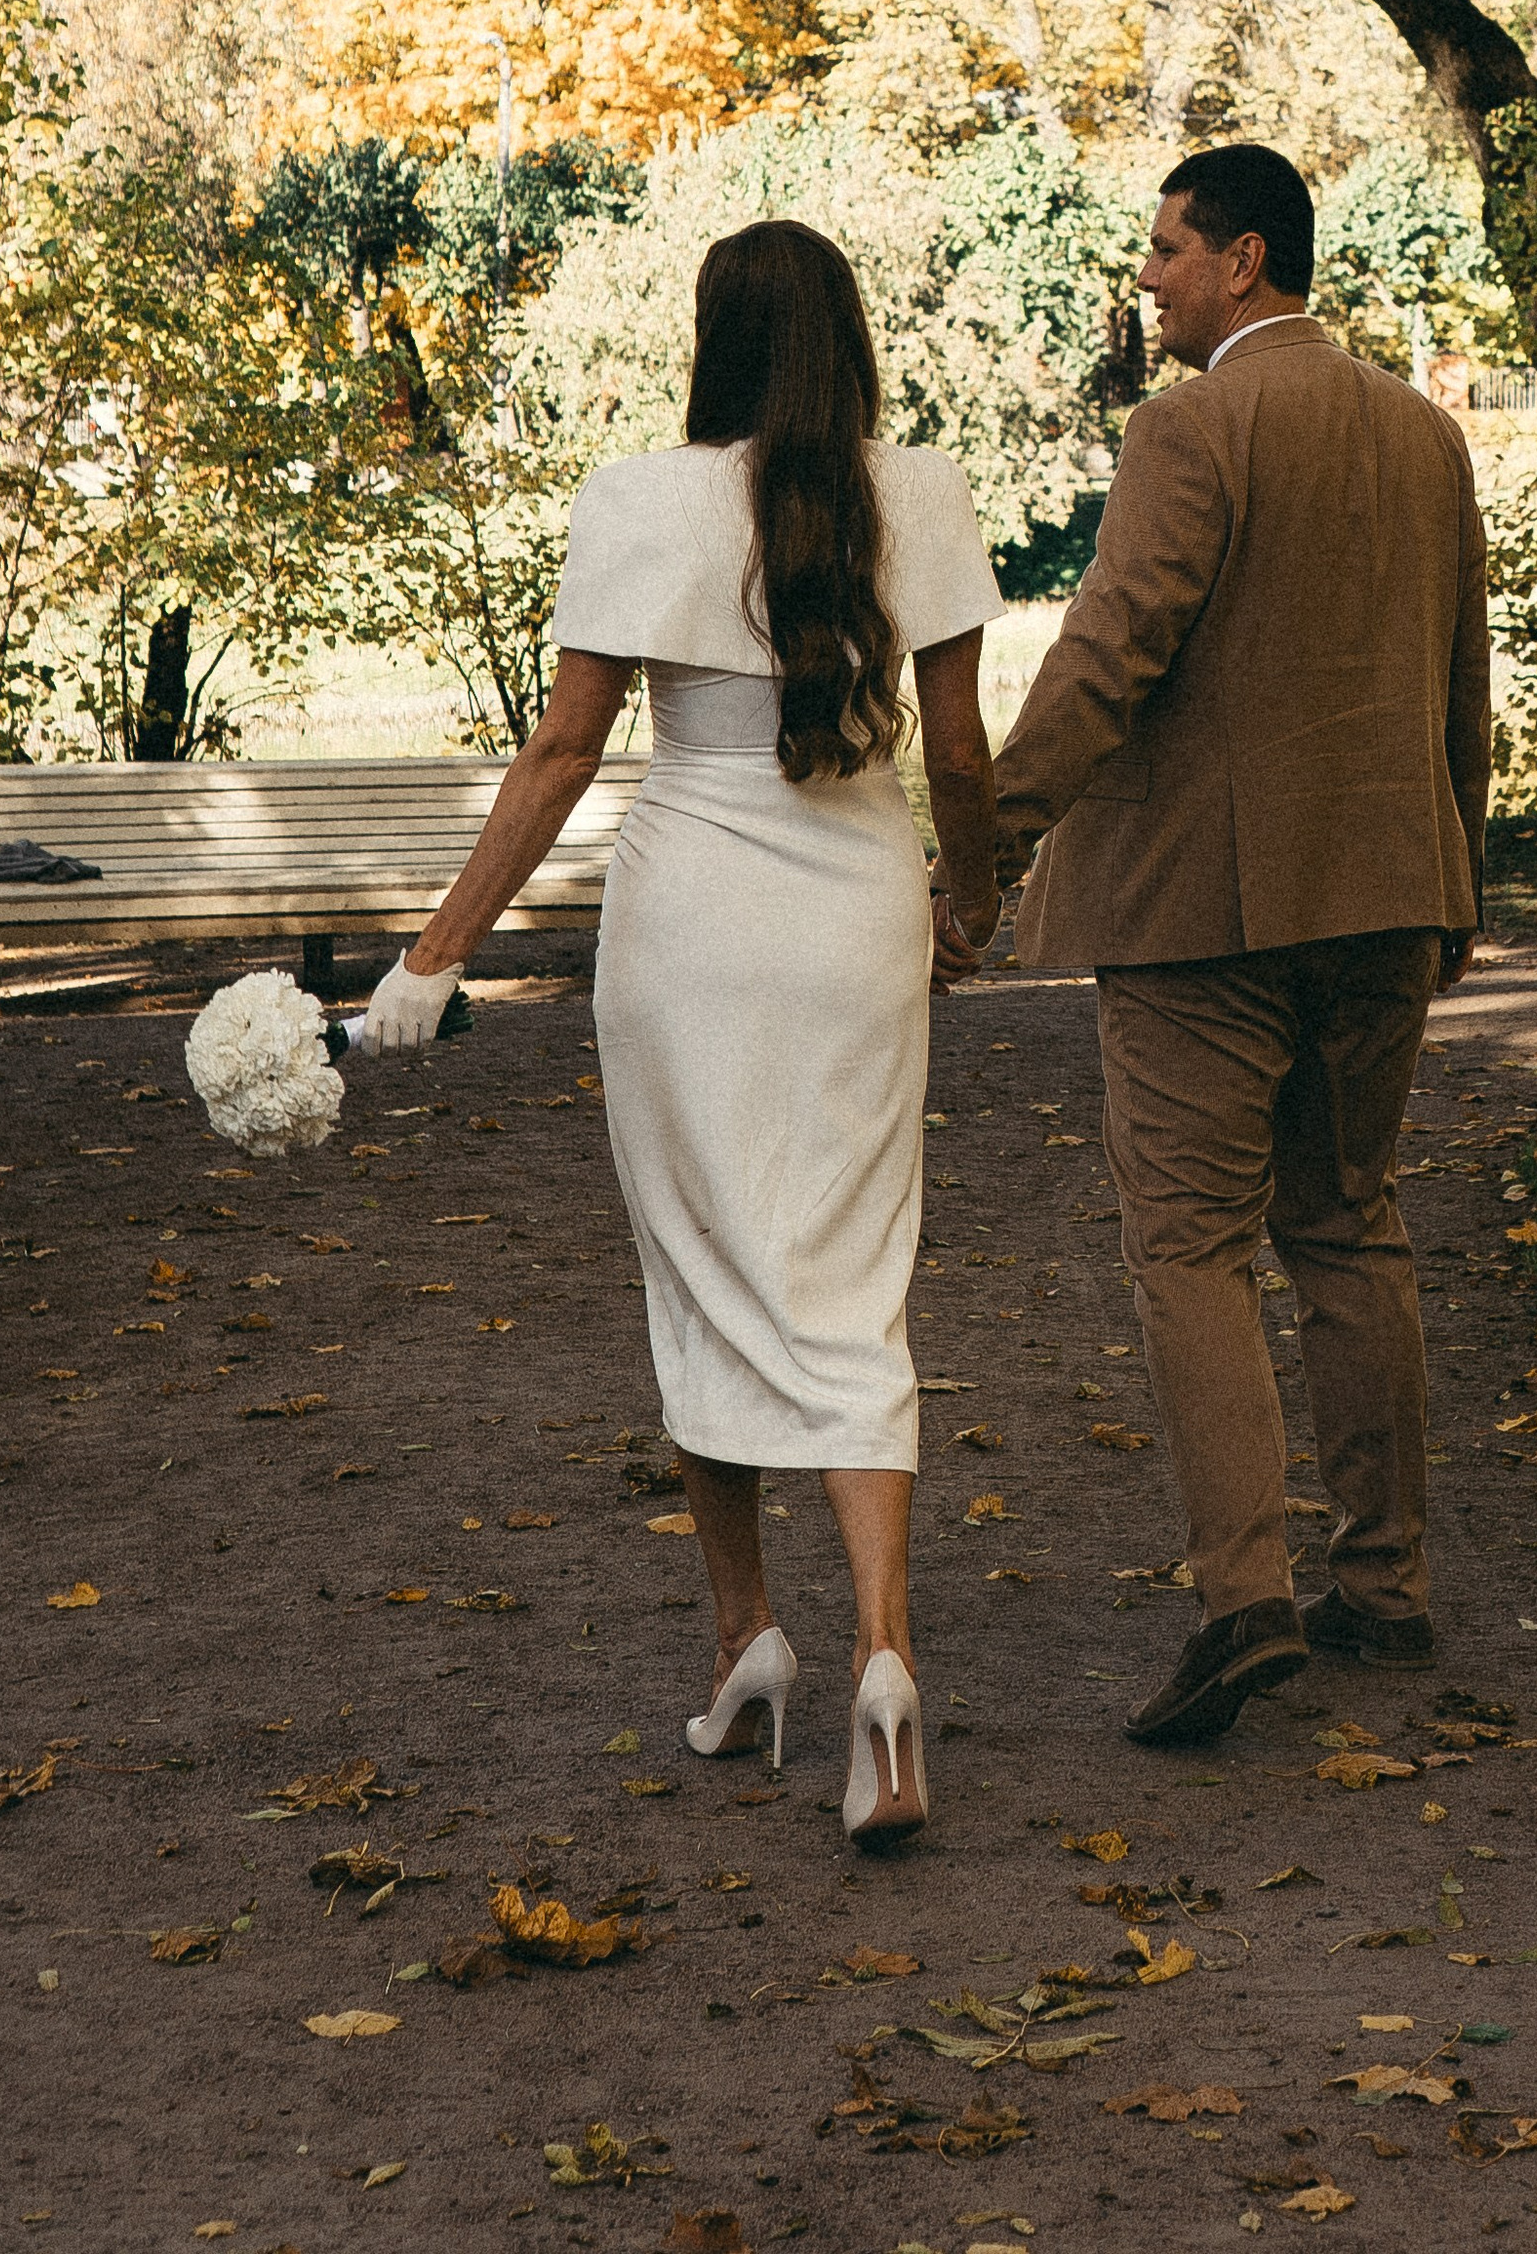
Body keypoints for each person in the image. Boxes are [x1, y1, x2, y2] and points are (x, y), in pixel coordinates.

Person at [355, 220, 1003, 1852]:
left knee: (704, 1262)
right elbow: (966, 755)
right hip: (857, 901)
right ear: (850, 336)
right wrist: (968, 900)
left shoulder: (639, 496)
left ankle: (744, 1640)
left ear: (712, 337)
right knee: (853, 1275)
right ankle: (884, 1663)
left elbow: (566, 752)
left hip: (691, 915)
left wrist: (436, 957)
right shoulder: (916, 494)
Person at [974, 143, 1489, 1748]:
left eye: (1169, 252)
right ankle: (1386, 1591)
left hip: (1209, 917)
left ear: (1245, 260)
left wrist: (989, 829)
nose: (1149, 276)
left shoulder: (1192, 425)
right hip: (1394, 891)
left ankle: (1246, 1599)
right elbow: (1458, 677)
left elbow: (1111, 648)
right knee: (1348, 1225)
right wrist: (1452, 868)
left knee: (1190, 1243)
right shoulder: (1424, 433)